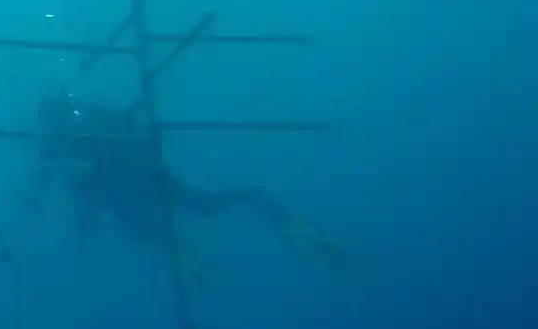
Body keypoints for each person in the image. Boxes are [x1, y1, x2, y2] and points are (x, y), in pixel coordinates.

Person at [22, 92, 345, 278]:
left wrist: (67, 205)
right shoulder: (85, 123)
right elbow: (137, 136)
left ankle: (185, 250)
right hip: (144, 181)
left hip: (132, 188)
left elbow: (55, 178)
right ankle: (274, 214)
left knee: (152, 229)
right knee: (198, 210)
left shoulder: (69, 134)